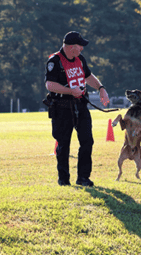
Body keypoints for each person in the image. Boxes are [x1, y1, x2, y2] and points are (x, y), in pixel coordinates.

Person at [45, 31, 110, 187]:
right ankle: (64, 180)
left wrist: (101, 87)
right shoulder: (55, 61)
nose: (82, 49)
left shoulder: (79, 59)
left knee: (87, 141)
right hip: (62, 108)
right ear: (72, 47)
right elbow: (49, 85)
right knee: (63, 144)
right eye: (80, 46)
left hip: (80, 106)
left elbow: (88, 76)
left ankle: (83, 178)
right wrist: (70, 91)